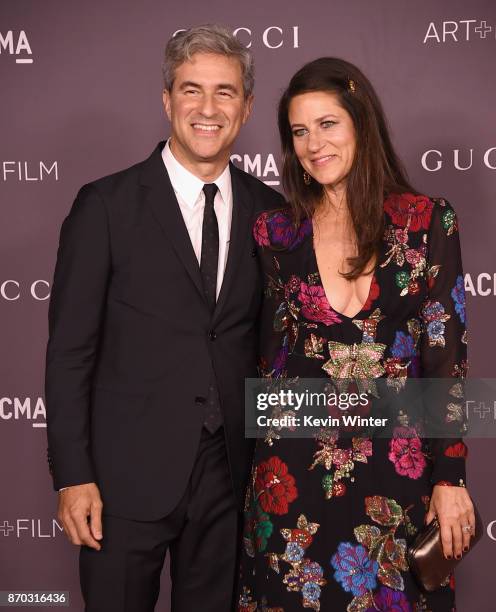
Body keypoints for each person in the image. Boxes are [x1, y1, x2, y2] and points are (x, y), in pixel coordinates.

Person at [45, 24, 284, 611]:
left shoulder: (271, 213)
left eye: (225, 92)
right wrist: (72, 476)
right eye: (192, 90)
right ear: (166, 100)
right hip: (122, 482)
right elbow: (69, 352)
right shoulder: (104, 206)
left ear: (247, 106)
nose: (207, 108)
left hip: (231, 479)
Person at [237, 57, 474, 611]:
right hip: (291, 481)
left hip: (400, 476)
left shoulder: (426, 222)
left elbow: (448, 360)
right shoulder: (276, 232)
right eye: (298, 131)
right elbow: (271, 361)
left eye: (327, 124)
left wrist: (452, 476)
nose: (312, 143)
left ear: (360, 123)